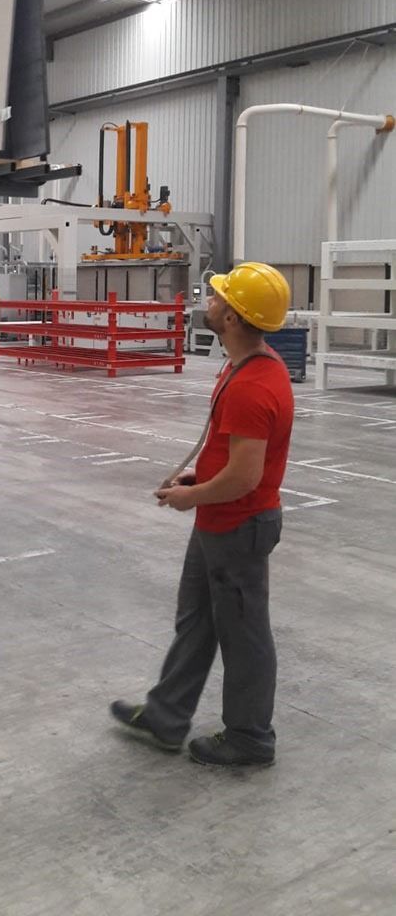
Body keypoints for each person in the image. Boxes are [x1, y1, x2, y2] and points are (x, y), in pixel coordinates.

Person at [110, 262, 295, 767]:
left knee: (244, 633)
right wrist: (198, 481)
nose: (208, 302)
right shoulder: (243, 366)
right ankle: (167, 715)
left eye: (218, 299)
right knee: (195, 621)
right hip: (219, 519)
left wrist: (195, 496)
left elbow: (245, 478)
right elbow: (230, 462)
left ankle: (251, 738)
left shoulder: (254, 385)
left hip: (238, 525)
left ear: (233, 318)